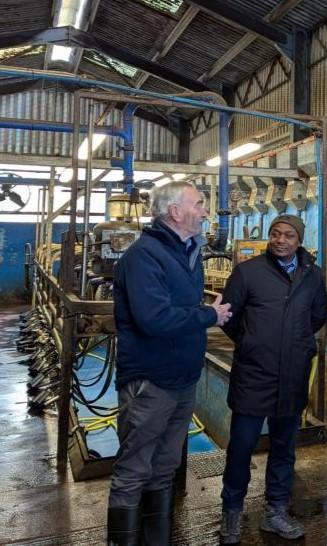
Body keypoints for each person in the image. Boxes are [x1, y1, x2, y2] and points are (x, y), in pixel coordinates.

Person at [109, 181, 232, 545]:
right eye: (199, 204)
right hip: (151, 379)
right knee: (134, 470)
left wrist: (202, 314)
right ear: (175, 212)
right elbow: (155, 319)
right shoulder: (144, 256)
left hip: (182, 378)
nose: (206, 211)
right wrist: (209, 316)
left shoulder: (186, 253)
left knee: (164, 468)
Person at [218, 214, 327, 543]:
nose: (281, 240)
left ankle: (276, 511)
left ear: (299, 240)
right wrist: (252, 342)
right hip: (254, 373)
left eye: (289, 235)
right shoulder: (247, 272)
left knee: (284, 447)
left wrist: (296, 345)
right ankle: (232, 514)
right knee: (241, 446)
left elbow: (317, 316)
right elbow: (227, 317)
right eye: (275, 233)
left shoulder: (312, 275)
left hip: (292, 374)